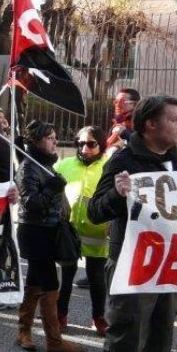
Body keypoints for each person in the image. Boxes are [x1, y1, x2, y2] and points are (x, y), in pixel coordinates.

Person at [88, 94, 177, 352]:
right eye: (175, 118)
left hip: (168, 264)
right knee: (126, 343)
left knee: (160, 339)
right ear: (150, 125)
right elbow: (96, 211)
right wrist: (117, 195)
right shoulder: (125, 159)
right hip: (133, 266)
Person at [14, 120, 84, 352]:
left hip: (49, 229)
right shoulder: (28, 168)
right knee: (50, 282)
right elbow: (31, 204)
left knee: (35, 279)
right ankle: (54, 341)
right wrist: (52, 188)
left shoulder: (45, 165)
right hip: (35, 231)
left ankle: (24, 331)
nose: (55, 141)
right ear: (35, 142)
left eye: (55, 137)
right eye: (50, 138)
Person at [54, 126, 110, 335]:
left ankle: (98, 317)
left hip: (98, 232)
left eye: (91, 144)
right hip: (69, 231)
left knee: (96, 278)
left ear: (101, 144)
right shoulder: (65, 164)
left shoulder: (109, 167)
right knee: (66, 276)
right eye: (80, 143)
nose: (85, 148)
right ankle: (60, 315)